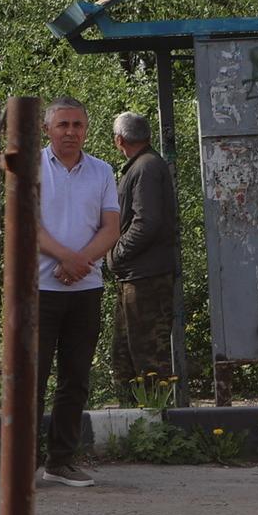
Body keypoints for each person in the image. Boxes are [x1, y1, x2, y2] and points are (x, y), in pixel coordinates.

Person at [33, 97, 122, 488]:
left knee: (75, 377)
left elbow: (111, 227)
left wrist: (79, 262)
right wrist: (66, 258)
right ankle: (26, 463)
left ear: (87, 129)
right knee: (32, 376)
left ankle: (61, 459)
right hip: (39, 287)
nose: (71, 132)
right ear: (47, 128)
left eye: (78, 125)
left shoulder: (102, 171)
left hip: (86, 288)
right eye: (63, 124)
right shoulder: (31, 167)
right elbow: (26, 224)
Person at [108, 111, 180, 401]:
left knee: (149, 361)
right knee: (125, 358)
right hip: (137, 276)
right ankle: (134, 426)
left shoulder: (146, 168)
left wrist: (116, 255)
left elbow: (146, 222)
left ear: (119, 140)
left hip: (145, 278)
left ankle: (156, 424)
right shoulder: (143, 166)